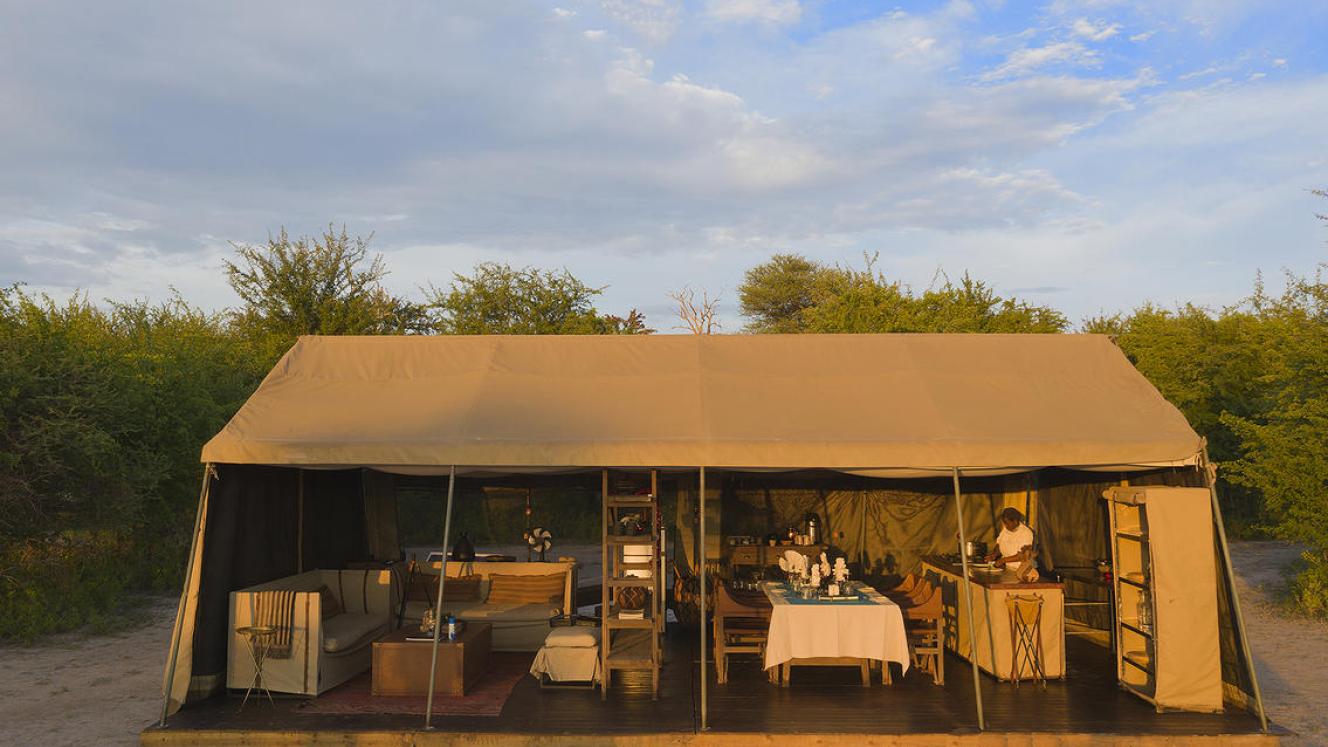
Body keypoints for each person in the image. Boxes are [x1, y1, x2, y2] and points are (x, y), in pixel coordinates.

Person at [987, 507, 1036, 571]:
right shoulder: (1006, 530)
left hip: (1021, 571)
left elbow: (1022, 555)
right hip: (1008, 568)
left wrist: (1003, 560)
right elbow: (999, 544)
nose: (1005, 525)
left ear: (1015, 521)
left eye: (1007, 523)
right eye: (1004, 523)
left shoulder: (1026, 533)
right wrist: (993, 555)